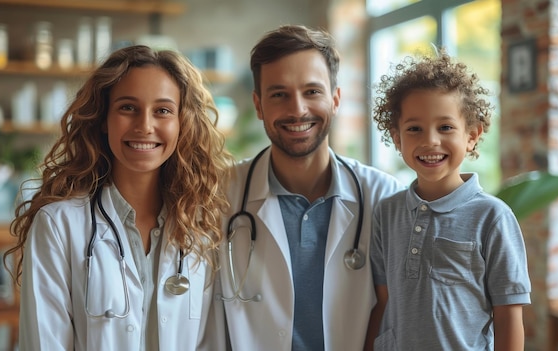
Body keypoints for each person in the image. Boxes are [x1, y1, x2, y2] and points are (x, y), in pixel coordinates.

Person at [4, 45, 232, 351]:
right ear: (103, 119)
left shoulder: (202, 227)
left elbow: (210, 342)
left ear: (182, 123)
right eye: (128, 107)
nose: (145, 126)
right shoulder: (58, 225)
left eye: (162, 110)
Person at [217, 24, 403, 351]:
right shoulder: (220, 192)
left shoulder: (383, 196)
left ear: (336, 99)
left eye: (312, 92)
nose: (298, 109)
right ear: (259, 105)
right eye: (279, 94)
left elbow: (401, 309)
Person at [369, 50, 531, 350]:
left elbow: (508, 316)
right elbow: (382, 303)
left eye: (445, 127)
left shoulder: (493, 217)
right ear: (396, 137)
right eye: (414, 129)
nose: (430, 141)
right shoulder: (386, 213)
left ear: (471, 135)